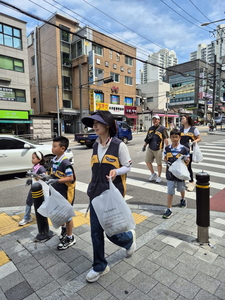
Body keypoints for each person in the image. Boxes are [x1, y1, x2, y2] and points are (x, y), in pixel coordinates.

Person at [81, 111, 135, 283]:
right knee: (95, 232)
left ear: (107, 125)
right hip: (96, 195)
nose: (94, 126)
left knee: (112, 232)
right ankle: (100, 266)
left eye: (98, 123)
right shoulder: (95, 145)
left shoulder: (119, 145)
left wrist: (116, 171)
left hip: (112, 194)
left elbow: (128, 166)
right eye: (93, 123)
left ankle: (128, 240)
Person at [46, 136, 76, 250]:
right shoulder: (54, 160)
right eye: (52, 146)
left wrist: (56, 180)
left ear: (62, 148)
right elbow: (52, 174)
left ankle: (70, 237)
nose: (52, 148)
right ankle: (64, 230)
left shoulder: (65, 163)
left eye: (54, 146)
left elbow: (70, 178)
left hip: (65, 194)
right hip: (56, 194)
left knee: (67, 217)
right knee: (60, 214)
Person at [163, 129, 190, 219]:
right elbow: (165, 157)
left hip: (180, 173)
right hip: (170, 173)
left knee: (181, 188)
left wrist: (186, 159)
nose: (174, 139)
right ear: (170, 137)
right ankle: (169, 209)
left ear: (180, 138)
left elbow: (188, 160)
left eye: (176, 137)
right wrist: (166, 160)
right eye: (173, 137)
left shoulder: (184, 149)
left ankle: (182, 199)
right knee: (170, 191)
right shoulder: (167, 148)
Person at [19, 151, 46, 226]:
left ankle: (42, 217)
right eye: (32, 158)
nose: (32, 160)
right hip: (33, 188)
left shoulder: (41, 168)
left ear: (39, 159)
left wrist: (36, 176)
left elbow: (44, 177)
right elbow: (33, 178)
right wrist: (30, 180)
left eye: (33, 158)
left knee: (40, 203)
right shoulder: (34, 167)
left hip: (39, 190)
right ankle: (27, 217)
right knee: (28, 201)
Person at [142, 115, 169, 183]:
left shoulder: (162, 128)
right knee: (147, 161)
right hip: (150, 148)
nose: (155, 120)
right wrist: (144, 145)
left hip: (158, 149)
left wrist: (168, 148)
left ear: (159, 120)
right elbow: (147, 138)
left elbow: (165, 139)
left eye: (156, 119)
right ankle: (153, 173)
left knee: (159, 163)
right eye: (153, 119)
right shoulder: (150, 128)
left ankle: (159, 176)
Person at [180, 115, 201, 192]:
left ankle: (191, 182)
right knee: (182, 165)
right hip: (181, 150)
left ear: (187, 119)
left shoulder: (193, 129)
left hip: (190, 150)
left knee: (188, 166)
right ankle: (184, 180)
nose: (181, 120)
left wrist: (195, 141)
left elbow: (199, 138)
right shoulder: (181, 129)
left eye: (183, 118)